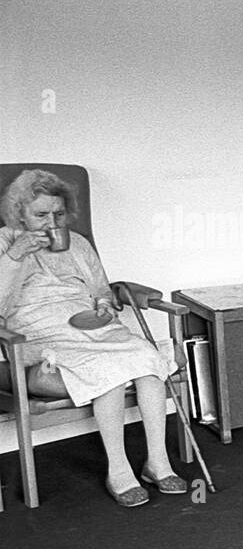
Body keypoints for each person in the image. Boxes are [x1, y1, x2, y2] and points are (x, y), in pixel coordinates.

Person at [0, 170, 183, 507]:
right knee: (108, 372)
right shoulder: (5, 242)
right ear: (19, 213)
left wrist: (102, 305)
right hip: (41, 336)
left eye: (57, 214)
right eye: (40, 215)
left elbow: (100, 290)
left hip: (92, 329)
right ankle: (120, 471)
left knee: (146, 361)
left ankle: (158, 463)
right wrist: (15, 256)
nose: (51, 222)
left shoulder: (78, 243)